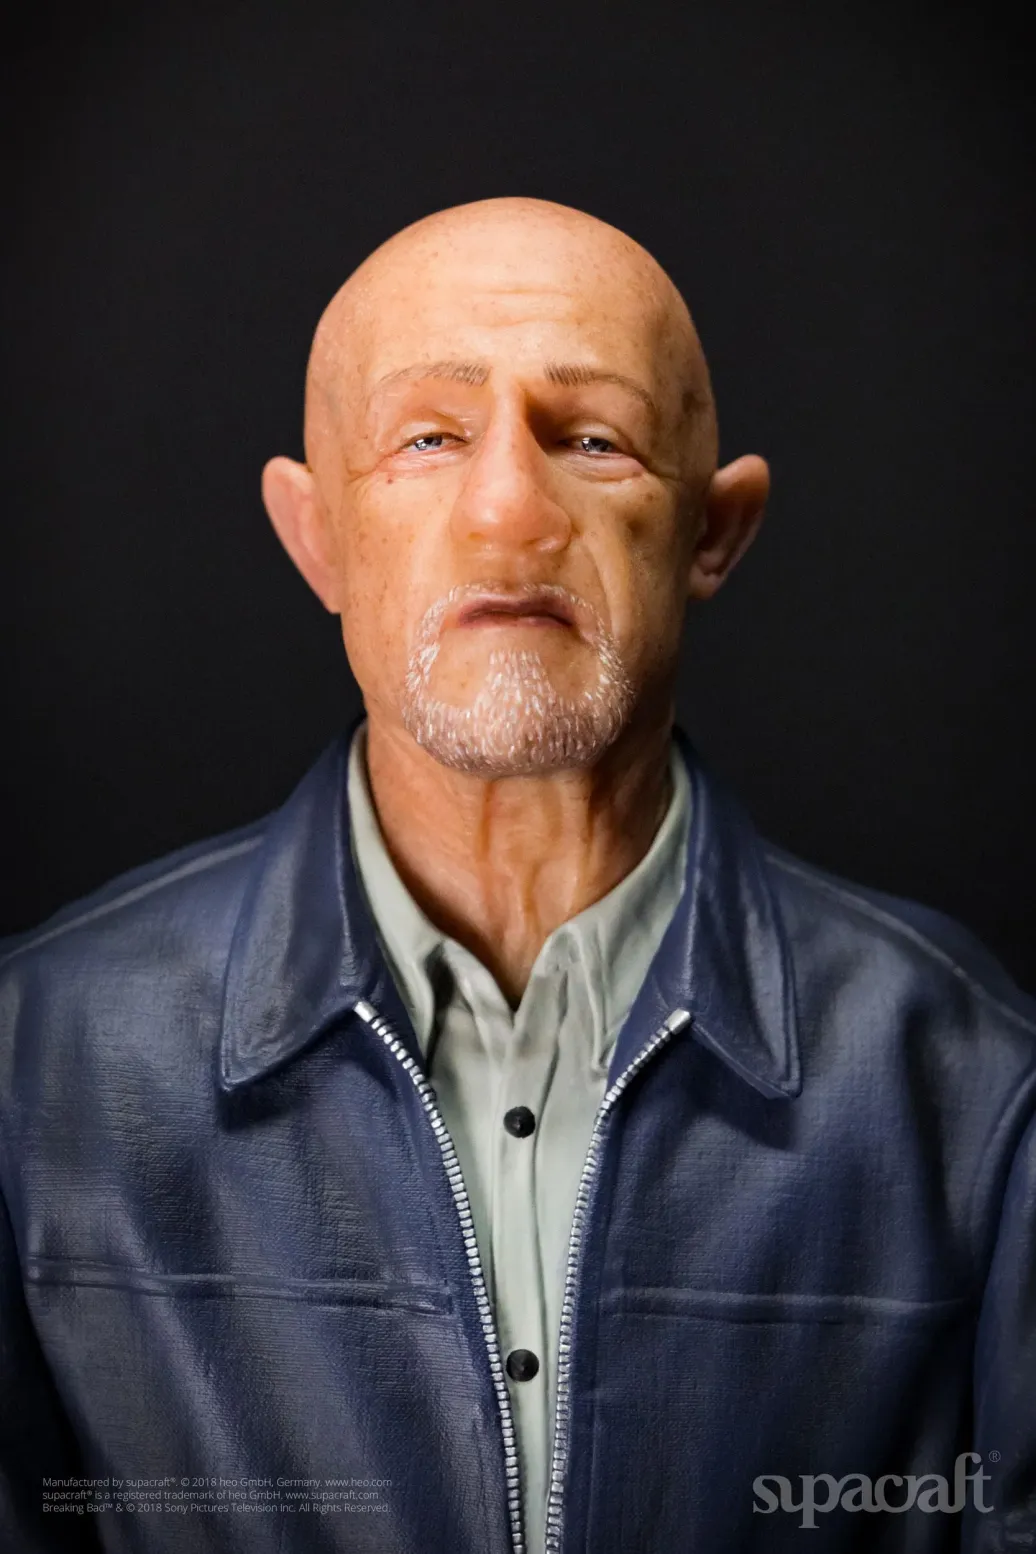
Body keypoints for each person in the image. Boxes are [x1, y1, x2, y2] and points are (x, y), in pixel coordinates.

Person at [1, 197, 1032, 1554]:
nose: (506, 510)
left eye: (593, 438)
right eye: (428, 437)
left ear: (714, 532)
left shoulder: (978, 1082)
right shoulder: (30, 1065)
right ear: (316, 537)